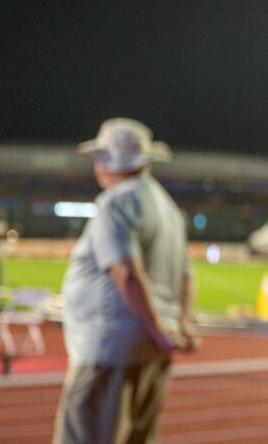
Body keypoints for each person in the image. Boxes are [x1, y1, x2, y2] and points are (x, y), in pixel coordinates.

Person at [53, 118, 197, 444]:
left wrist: (161, 332)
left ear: (108, 161)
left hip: (109, 350)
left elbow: (127, 274)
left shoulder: (116, 202)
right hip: (150, 349)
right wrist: (180, 328)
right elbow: (187, 277)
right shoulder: (167, 206)